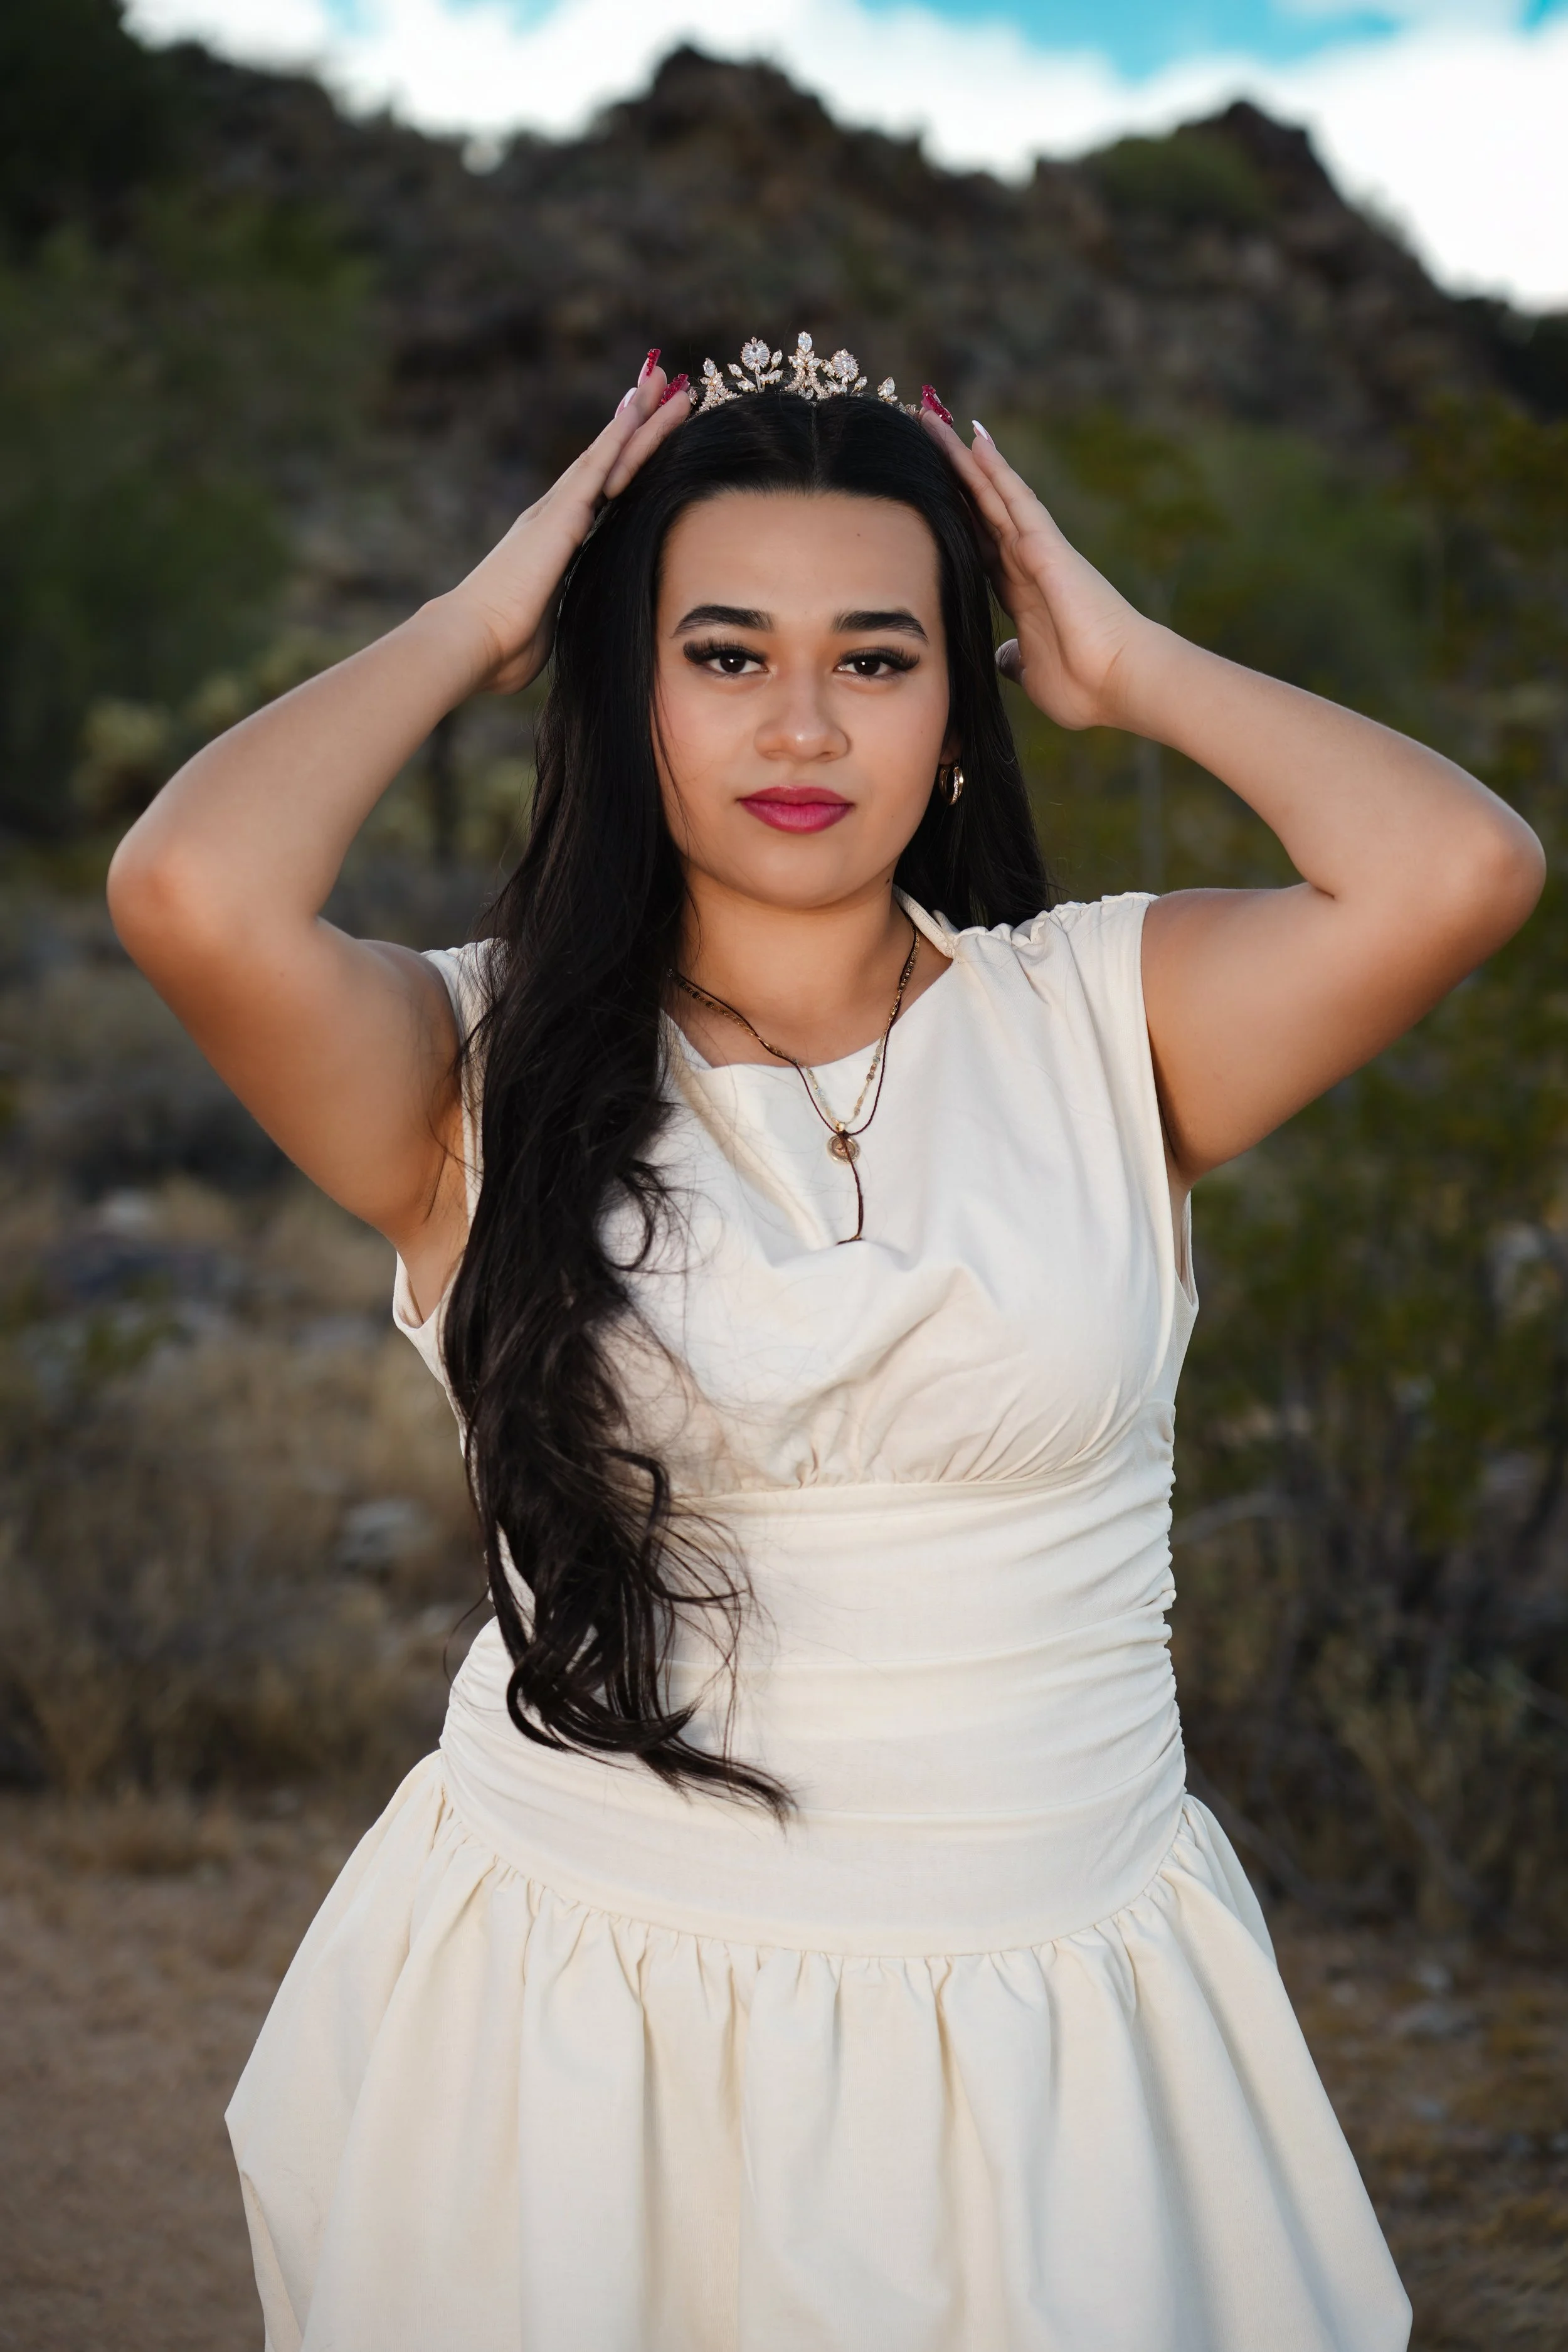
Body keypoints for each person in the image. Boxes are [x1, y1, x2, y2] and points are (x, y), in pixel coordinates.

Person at [108, 335, 1542, 2352]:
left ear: (961, 704)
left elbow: (1460, 867)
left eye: (877, 656)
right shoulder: (473, 1063)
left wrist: (1128, 661)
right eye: (721, 654)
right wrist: (480, 618)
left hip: (1054, 2004)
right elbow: (188, 888)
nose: (801, 722)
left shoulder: (1106, 1016)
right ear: (628, 691)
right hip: (590, 2002)